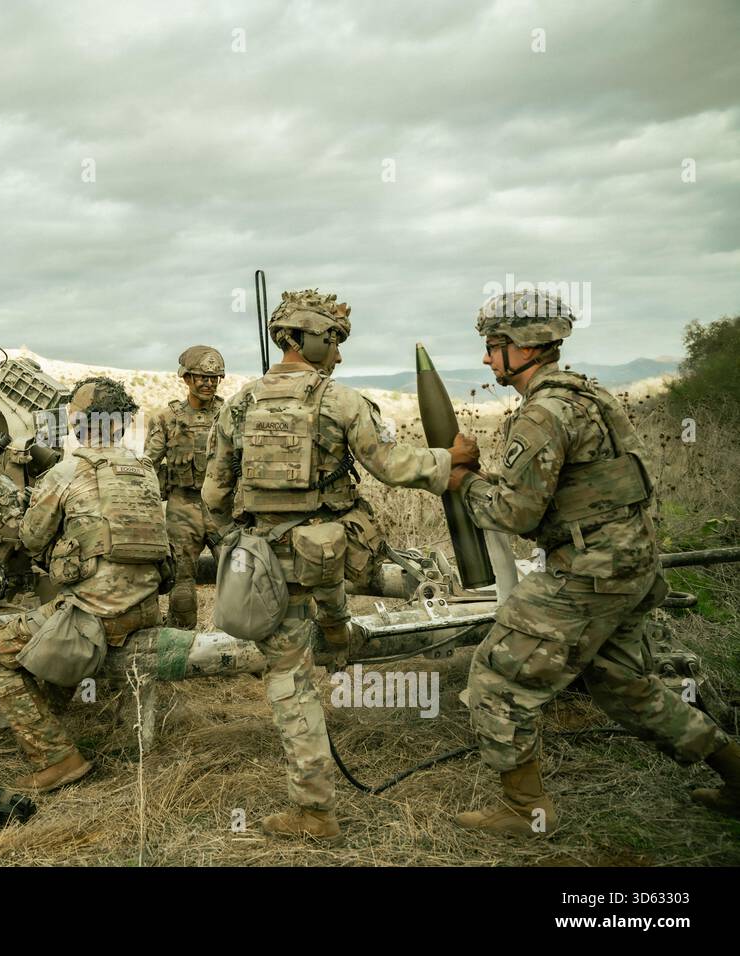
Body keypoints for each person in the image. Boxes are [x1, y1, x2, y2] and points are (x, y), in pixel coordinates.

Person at [449, 289, 740, 835]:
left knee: (496, 677)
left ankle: (524, 811)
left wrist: (464, 480)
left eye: (493, 347)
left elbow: (514, 512)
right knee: (625, 685)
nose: (487, 360)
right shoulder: (592, 396)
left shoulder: (542, 414)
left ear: (522, 347)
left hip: (588, 571)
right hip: (631, 561)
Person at [203, 288, 479, 838]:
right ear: (298, 338)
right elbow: (392, 466)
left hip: (269, 565)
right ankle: (334, 629)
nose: (340, 353)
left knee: (288, 679)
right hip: (329, 558)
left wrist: (242, 537)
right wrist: (452, 460)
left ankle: (314, 809)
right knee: (320, 621)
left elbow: (213, 494)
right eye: (333, 339)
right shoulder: (342, 401)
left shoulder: (237, 405)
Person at [0, 376, 168, 793]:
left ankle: (57, 759)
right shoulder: (146, 471)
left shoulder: (65, 473)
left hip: (98, 617)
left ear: (81, 423)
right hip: (146, 608)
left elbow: (30, 539)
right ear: (120, 424)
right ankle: (58, 720)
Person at [144, 345, 226, 628]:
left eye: (214, 378)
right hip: (182, 506)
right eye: (202, 377)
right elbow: (148, 465)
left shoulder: (230, 415)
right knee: (182, 577)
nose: (208, 383)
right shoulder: (167, 419)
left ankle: (240, 639)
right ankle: (182, 640)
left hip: (222, 505)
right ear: (187, 379)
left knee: (240, 575)